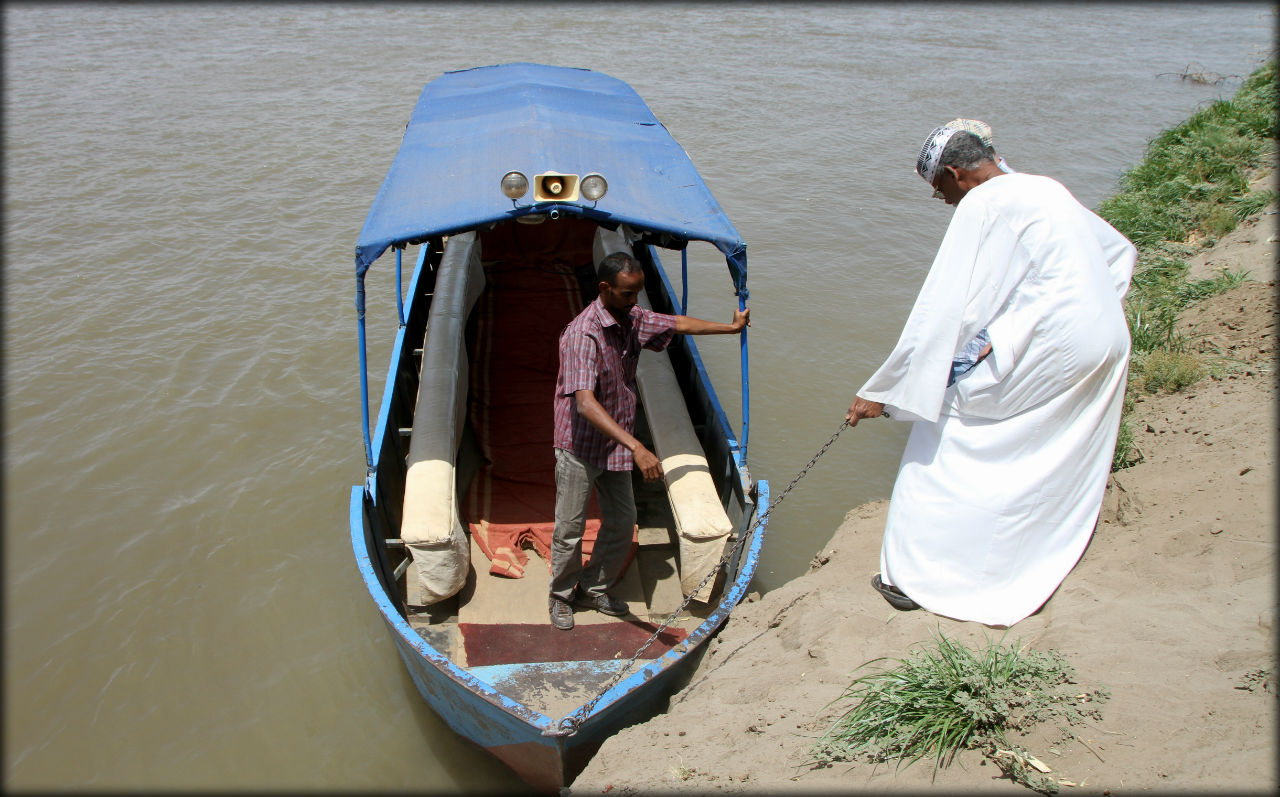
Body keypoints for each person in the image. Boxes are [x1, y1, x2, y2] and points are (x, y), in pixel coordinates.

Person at [845, 125, 1136, 627]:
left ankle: (910, 579)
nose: (944, 203)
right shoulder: (1045, 187)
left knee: (943, 430)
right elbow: (1118, 253)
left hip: (1058, 347)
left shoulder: (982, 205)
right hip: (1107, 336)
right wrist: (1056, 314)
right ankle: (1019, 555)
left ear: (956, 175)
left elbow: (943, 313)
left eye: (940, 191)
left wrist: (886, 392)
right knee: (1040, 443)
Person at [550, 251, 749, 631]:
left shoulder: (632, 316)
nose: (635, 301)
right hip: (579, 446)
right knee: (570, 527)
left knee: (624, 520)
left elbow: (676, 323)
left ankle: (594, 586)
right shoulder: (583, 334)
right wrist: (638, 447)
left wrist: (730, 328)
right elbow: (585, 404)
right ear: (605, 288)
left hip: (615, 443)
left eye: (639, 292)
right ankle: (560, 594)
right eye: (628, 293)